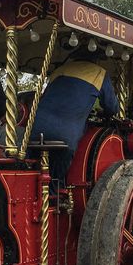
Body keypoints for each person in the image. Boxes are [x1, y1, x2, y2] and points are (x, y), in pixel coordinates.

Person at [30, 49, 119, 182]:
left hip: (35, 129)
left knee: (34, 171)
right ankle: (56, 194)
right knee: (57, 178)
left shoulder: (59, 70)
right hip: (65, 134)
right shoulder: (100, 73)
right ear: (97, 59)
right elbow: (112, 108)